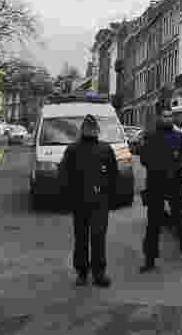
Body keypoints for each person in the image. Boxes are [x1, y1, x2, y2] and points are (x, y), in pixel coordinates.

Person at [58, 114, 117, 287]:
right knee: (82, 238)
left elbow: (113, 176)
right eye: (88, 127)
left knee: (97, 237)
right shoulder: (73, 150)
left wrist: (110, 199)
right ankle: (82, 272)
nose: (90, 131)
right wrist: (67, 197)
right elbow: (64, 175)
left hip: (99, 201)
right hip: (80, 201)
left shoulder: (105, 149)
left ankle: (98, 272)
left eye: (92, 128)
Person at [140, 108, 182, 271]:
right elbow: (144, 158)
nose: (168, 118)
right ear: (159, 118)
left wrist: (174, 168)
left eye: (170, 116)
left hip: (174, 182)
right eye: (165, 116)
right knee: (154, 223)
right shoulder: (150, 137)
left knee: (181, 221)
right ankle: (149, 259)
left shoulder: (179, 137)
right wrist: (161, 169)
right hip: (156, 183)